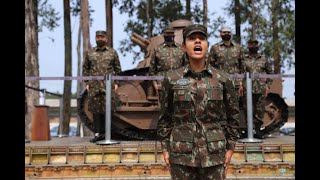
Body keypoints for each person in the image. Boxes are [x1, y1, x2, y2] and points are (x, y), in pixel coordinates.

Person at [157, 24, 240, 180]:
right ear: (183, 47)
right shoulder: (172, 79)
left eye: (201, 39)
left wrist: (230, 148)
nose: (197, 42)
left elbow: (233, 116)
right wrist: (165, 149)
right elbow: (164, 118)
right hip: (181, 155)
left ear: (207, 45)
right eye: (192, 39)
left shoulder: (222, 79)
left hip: (214, 155)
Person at [82, 30, 122, 143]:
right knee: (95, 111)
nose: (99, 39)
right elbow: (85, 68)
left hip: (108, 86)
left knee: (108, 110)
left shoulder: (112, 52)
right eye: (97, 37)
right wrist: (87, 82)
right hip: (94, 86)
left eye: (101, 37)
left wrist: (116, 83)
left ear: (106, 39)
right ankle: (97, 134)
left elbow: (118, 69)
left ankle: (107, 134)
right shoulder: (90, 53)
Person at [242, 39, 273, 138]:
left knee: (259, 111)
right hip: (247, 89)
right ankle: (248, 131)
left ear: (258, 46)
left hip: (261, 89)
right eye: (251, 44)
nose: (253, 46)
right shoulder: (243, 59)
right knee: (247, 110)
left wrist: (268, 85)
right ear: (248, 46)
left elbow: (270, 73)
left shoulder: (263, 59)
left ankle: (258, 131)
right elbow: (240, 73)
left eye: (255, 44)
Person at [148, 27, 186, 98]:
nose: (169, 35)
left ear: (174, 35)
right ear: (164, 35)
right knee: (163, 107)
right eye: (167, 33)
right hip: (162, 82)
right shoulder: (157, 49)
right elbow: (152, 69)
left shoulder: (181, 49)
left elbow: (186, 66)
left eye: (171, 33)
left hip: (178, 82)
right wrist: (155, 83)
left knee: (178, 106)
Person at [208, 25, 245, 96]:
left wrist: (241, 82)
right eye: (224, 32)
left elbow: (243, 66)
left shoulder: (238, 48)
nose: (226, 34)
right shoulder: (215, 48)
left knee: (235, 106)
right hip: (220, 82)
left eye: (228, 32)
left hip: (235, 82)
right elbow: (210, 66)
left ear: (231, 34)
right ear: (220, 34)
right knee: (220, 105)